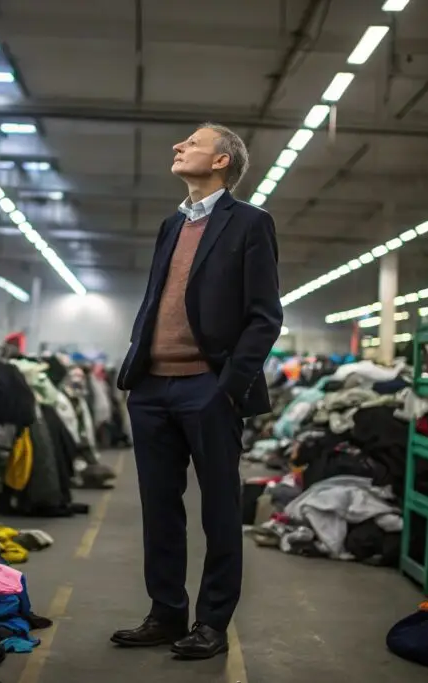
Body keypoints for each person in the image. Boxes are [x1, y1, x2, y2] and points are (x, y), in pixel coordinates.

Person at [112, 124, 283, 659]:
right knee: (160, 510)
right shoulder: (171, 225)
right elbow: (157, 299)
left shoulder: (250, 223)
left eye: (192, 143)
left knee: (219, 512)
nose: (178, 146)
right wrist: (137, 365)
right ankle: (166, 614)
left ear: (222, 161)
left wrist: (227, 389)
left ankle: (211, 622)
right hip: (152, 388)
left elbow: (265, 317)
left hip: (207, 387)